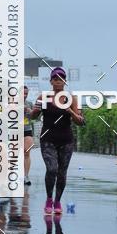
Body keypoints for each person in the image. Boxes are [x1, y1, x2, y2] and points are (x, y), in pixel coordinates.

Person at [31, 67, 83, 216]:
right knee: (52, 169)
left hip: (66, 140)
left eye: (61, 78)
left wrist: (70, 112)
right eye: (55, 78)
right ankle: (49, 199)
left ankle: (57, 200)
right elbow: (34, 116)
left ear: (65, 81)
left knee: (62, 172)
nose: (58, 81)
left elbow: (80, 121)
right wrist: (35, 110)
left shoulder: (72, 98)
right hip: (48, 139)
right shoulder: (44, 96)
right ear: (51, 81)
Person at [23, 86, 34, 186]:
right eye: (23, 93)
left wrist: (31, 112)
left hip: (27, 130)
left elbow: (36, 116)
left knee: (27, 152)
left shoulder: (30, 103)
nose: (25, 95)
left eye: (26, 93)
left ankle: (26, 176)